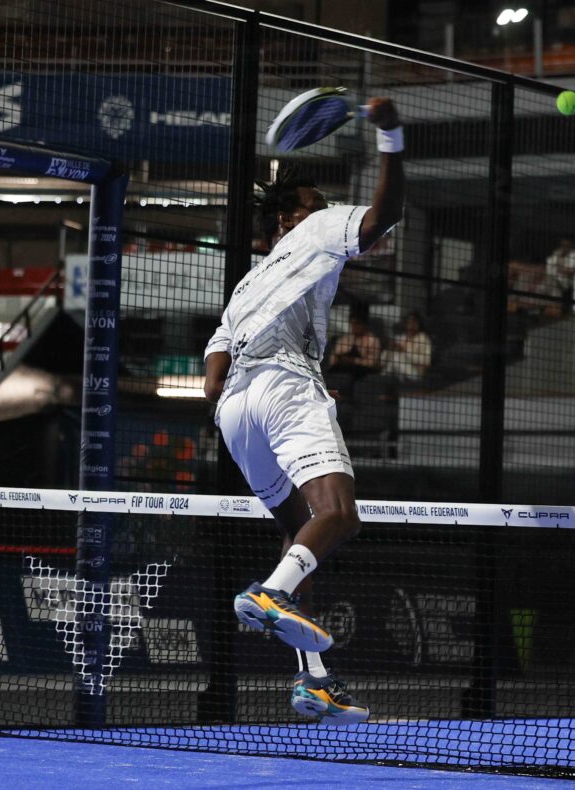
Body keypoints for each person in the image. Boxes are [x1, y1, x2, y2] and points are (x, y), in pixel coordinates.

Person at [203, 97, 404, 725]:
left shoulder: (246, 283)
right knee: (337, 513)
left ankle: (313, 681)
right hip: (284, 387)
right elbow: (383, 218)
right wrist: (392, 136)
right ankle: (270, 593)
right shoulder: (316, 228)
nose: (325, 206)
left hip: (235, 412)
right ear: (288, 217)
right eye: (315, 202)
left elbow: (212, 379)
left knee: (299, 534)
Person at [327, 307, 383, 377]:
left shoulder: (373, 341)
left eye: (357, 323)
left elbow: (372, 363)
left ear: (364, 324)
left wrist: (354, 361)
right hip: (341, 374)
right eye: (352, 323)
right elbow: (332, 360)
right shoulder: (344, 340)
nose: (354, 326)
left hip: (363, 376)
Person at [382, 311, 432, 382]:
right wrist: (389, 349)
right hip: (396, 372)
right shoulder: (401, 338)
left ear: (419, 325)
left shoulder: (424, 339)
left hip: (415, 374)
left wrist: (405, 352)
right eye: (409, 323)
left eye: (414, 323)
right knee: (394, 356)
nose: (411, 326)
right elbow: (382, 362)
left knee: (396, 357)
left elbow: (426, 362)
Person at [544, 236, 575, 301]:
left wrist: (571, 271)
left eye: (567, 245)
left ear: (573, 245)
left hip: (571, 286)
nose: (564, 248)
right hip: (555, 284)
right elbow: (549, 264)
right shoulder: (557, 253)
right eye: (562, 245)